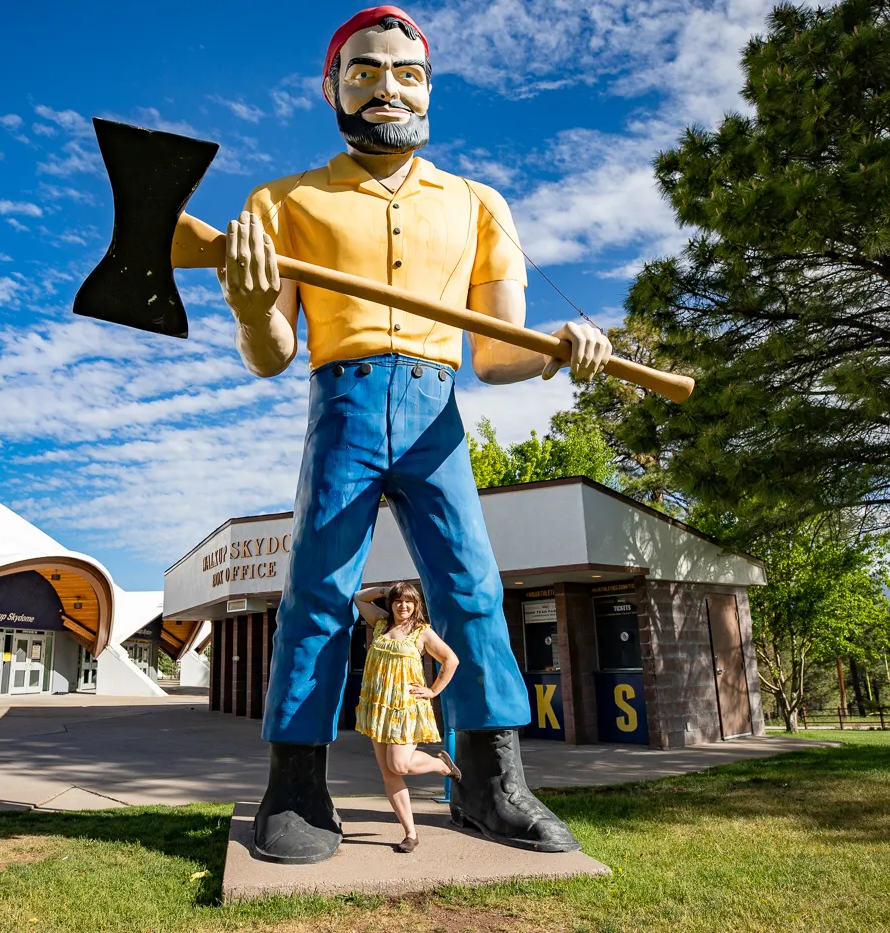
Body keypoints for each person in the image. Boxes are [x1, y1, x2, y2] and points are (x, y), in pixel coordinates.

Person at [222, 6, 610, 864]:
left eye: (407, 72)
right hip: (345, 405)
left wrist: (558, 351)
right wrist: (253, 307)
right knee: (317, 590)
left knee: (472, 588)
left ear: (429, 87)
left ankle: (490, 783)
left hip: (437, 413)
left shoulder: (478, 204)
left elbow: (498, 352)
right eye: (364, 71)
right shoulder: (282, 202)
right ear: (332, 86)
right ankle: (295, 785)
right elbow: (271, 354)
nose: (386, 87)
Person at [353, 581, 462, 853]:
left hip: (405, 708)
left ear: (416, 606)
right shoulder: (380, 623)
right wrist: (384, 590)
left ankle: (441, 765)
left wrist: (433, 690)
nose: (403, 605)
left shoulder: (422, 632)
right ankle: (410, 834)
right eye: (398, 600)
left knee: (399, 766)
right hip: (379, 707)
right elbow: (358, 598)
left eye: (409, 602)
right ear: (391, 603)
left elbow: (451, 660)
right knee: (389, 774)